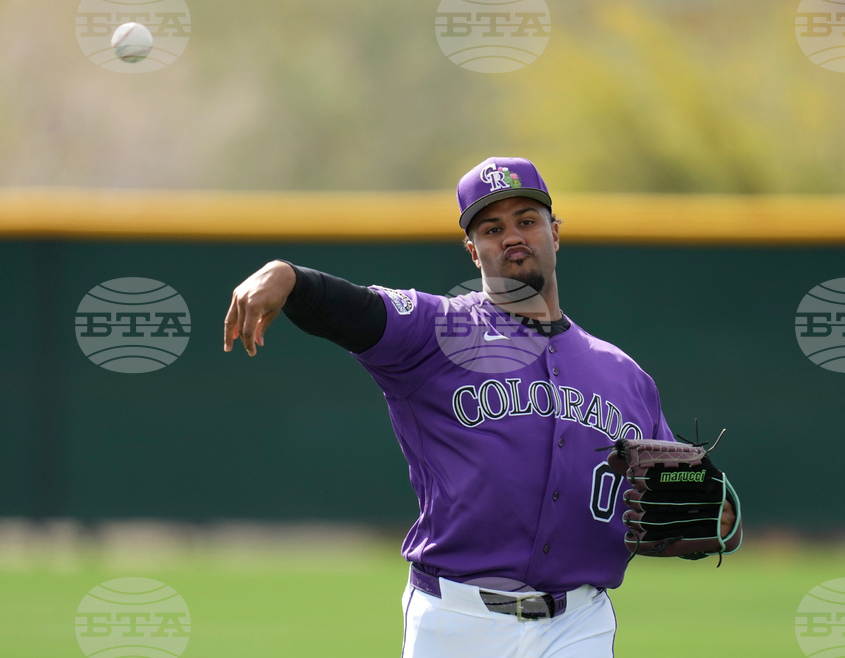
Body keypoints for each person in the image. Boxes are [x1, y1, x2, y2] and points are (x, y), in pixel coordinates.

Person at [223, 157, 739, 657]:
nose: (512, 236)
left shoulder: (625, 375)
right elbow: (359, 311)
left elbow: (675, 501)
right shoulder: (435, 332)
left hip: (578, 623)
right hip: (457, 621)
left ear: (554, 233)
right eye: (491, 228)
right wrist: (288, 277)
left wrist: (707, 521)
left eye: (527, 220)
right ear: (473, 251)